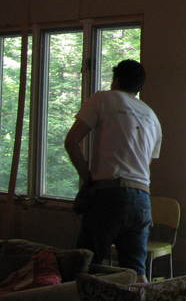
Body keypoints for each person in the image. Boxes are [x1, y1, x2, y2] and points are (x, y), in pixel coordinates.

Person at [64, 59, 162, 282]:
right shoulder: (152, 116)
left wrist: (87, 177)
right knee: (135, 275)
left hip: (109, 194)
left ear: (115, 80)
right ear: (139, 87)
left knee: (84, 267)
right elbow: (145, 163)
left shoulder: (103, 98)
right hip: (142, 199)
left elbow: (71, 142)